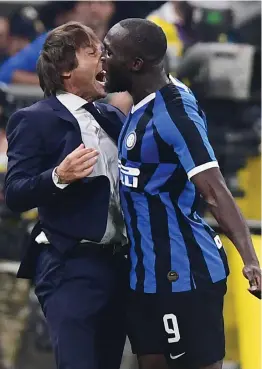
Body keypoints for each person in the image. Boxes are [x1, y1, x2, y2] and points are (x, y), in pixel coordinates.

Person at [103, 18, 261, 369]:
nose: (101, 58)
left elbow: (215, 191)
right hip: (143, 276)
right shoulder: (139, 102)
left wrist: (250, 259)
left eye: (108, 52)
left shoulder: (175, 114)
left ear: (136, 64)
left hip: (184, 274)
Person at [4, 22, 128, 369]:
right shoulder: (34, 119)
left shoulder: (113, 118)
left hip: (119, 264)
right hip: (70, 264)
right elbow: (14, 193)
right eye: (93, 52)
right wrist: (59, 176)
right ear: (65, 69)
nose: (104, 57)